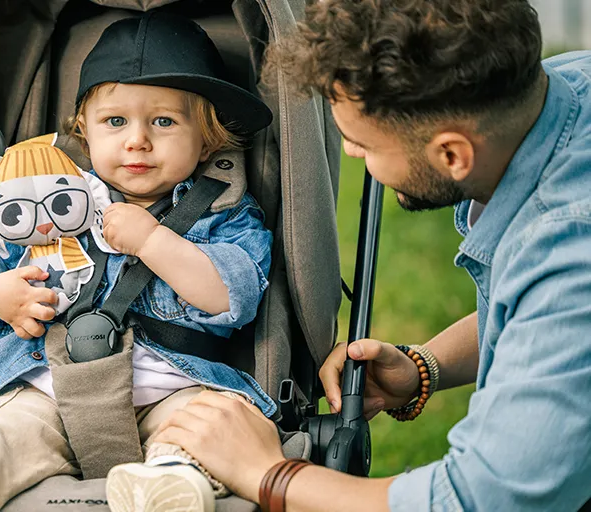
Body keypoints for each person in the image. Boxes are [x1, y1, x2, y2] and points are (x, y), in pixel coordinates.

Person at [153, 0, 591, 511]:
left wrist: (268, 473)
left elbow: (480, 498)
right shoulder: (563, 88)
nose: (353, 154)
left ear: (452, 154)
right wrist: (424, 367)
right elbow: (547, 323)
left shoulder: (569, 248)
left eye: (362, 143)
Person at [0, 12, 277, 512]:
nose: (137, 140)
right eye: (115, 121)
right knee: (0, 431)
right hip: (43, 382)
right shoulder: (46, 193)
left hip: (170, 385)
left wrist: (153, 240)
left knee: (207, 422)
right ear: (84, 130)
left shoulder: (223, 215)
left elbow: (230, 295)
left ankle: (172, 479)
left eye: (164, 122)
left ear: (208, 137)